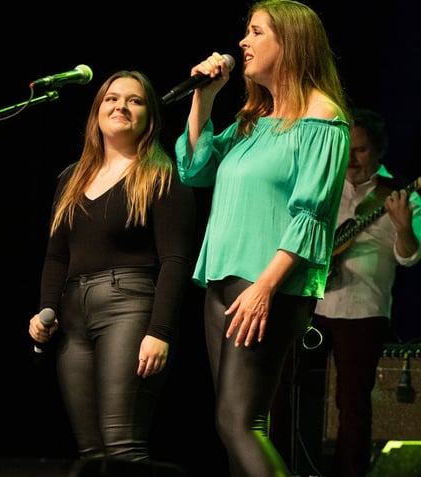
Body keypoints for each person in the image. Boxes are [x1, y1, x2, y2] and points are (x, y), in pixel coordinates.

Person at [172, 1, 350, 475]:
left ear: (289, 42)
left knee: (237, 422)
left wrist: (266, 287)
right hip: (223, 280)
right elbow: (194, 168)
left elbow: (310, 214)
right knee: (240, 425)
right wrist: (203, 98)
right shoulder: (255, 121)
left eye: (255, 32)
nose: (242, 43)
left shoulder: (321, 119)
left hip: (267, 285)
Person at [28, 69, 196, 463]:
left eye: (134, 100)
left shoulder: (159, 175)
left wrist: (160, 331)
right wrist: (45, 310)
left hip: (129, 307)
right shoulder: (70, 178)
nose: (121, 106)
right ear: (97, 112)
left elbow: (175, 260)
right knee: (90, 452)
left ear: (149, 117)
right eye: (112, 98)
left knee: (122, 445)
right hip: (72, 317)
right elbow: (56, 255)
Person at [273, 107, 421, 477]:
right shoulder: (325, 187)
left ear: (378, 150)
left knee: (353, 404)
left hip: (364, 312)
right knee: (288, 389)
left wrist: (403, 228)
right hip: (314, 305)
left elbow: (409, 259)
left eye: (361, 150)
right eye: (348, 150)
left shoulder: (401, 195)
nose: (352, 159)